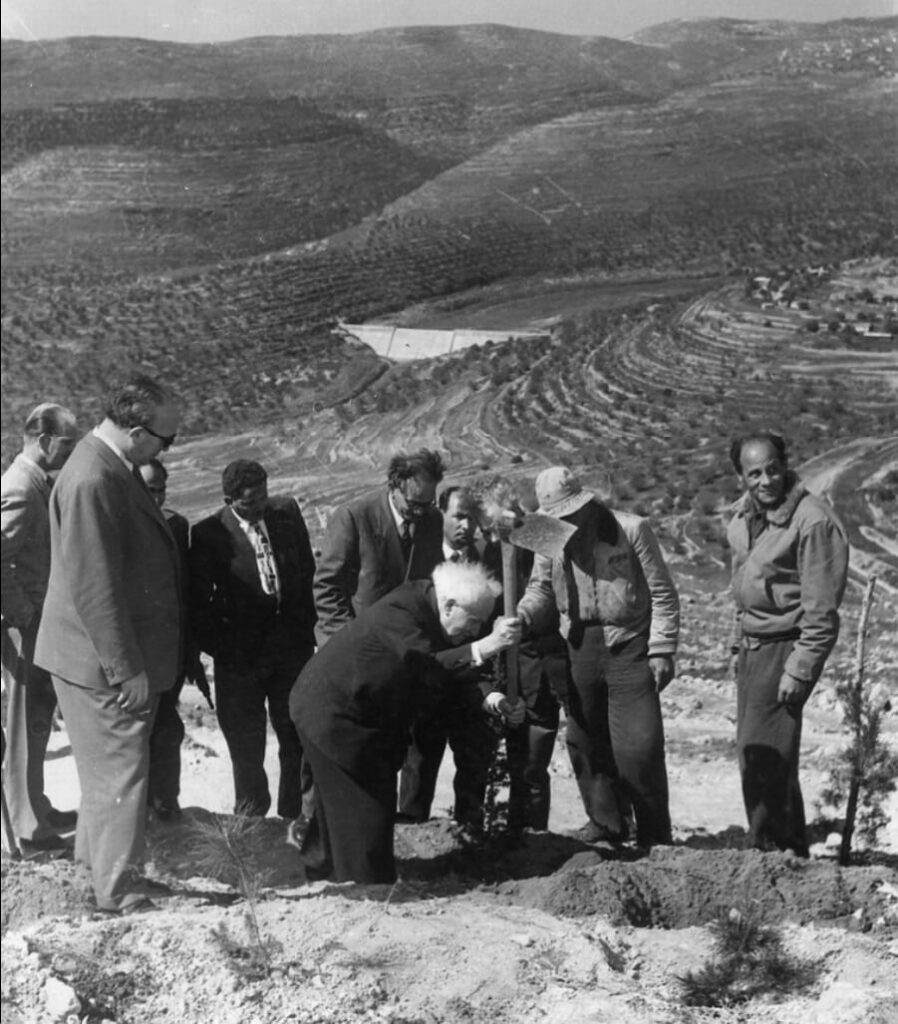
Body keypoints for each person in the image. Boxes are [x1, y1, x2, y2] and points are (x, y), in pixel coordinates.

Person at [34, 375, 183, 913]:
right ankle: (118, 892)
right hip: (100, 662)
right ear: (139, 433)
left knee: (104, 773)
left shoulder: (104, 465)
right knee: (122, 769)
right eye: (167, 440)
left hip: (86, 655)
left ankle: (94, 870)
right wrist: (127, 670)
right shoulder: (94, 478)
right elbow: (96, 588)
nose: (168, 448)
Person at [290, 560, 522, 883]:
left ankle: (325, 868)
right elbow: (428, 665)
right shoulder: (404, 609)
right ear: (450, 605)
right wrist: (485, 646)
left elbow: (457, 667)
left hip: (362, 719)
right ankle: (362, 886)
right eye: (473, 623)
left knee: (351, 807)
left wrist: (492, 698)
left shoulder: (436, 610)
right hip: (334, 715)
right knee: (362, 811)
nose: (473, 631)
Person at [517, 466, 679, 848]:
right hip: (578, 646)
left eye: (572, 512)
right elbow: (540, 590)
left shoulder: (632, 528)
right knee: (585, 741)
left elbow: (663, 593)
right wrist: (523, 613)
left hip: (628, 645)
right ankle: (607, 825)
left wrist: (662, 648)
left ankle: (655, 836)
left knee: (639, 747)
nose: (567, 522)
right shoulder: (546, 534)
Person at [727, 432, 849, 857]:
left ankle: (774, 852)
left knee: (765, 758)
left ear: (786, 465)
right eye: (754, 473)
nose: (766, 480)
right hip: (752, 645)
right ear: (742, 476)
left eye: (773, 469)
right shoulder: (746, 516)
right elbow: (742, 583)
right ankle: (784, 844)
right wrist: (734, 642)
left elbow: (821, 610)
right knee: (758, 752)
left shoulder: (812, 520)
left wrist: (800, 668)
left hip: (783, 646)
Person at [190, 459, 317, 821]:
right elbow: (199, 605)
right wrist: (227, 648)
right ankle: (252, 822)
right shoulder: (208, 534)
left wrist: (305, 631)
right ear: (230, 499)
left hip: (291, 653)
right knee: (246, 748)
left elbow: (306, 571)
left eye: (263, 496)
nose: (259, 506)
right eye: (249, 503)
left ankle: (294, 819)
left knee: (295, 737)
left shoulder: (287, 513)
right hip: (240, 663)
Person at [397, 486, 509, 828]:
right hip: (428, 681)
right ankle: (412, 838)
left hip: (471, 683)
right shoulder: (419, 557)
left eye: (474, 519)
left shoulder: (491, 560)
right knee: (418, 766)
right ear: (440, 515)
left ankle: (470, 839)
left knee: (474, 768)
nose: (467, 527)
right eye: (459, 516)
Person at [1, 402, 79, 853]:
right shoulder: (20, 487)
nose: (67, 454)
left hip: (38, 623)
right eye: (66, 445)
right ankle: (28, 828)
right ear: (45, 440)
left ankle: (37, 806)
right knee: (27, 728)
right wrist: (25, 614)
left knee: (37, 725)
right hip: (27, 627)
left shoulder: (34, 482)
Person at [313, 449, 444, 645]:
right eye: (413, 503)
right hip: (357, 641)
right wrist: (348, 640)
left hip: (407, 641)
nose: (419, 511)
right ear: (394, 486)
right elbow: (328, 588)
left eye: (427, 504)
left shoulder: (432, 519)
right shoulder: (353, 516)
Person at [140, 458, 208, 821]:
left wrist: (191, 650)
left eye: (161, 490)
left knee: (167, 727)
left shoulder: (177, 526)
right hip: (136, 653)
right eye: (149, 489)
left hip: (173, 649)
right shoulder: (119, 525)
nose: (156, 497)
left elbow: (187, 591)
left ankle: (166, 802)